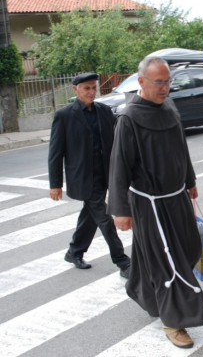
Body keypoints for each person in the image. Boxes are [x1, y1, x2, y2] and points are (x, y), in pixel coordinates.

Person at [107, 56, 203, 349]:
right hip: (150, 205)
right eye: (159, 82)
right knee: (168, 263)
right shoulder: (129, 118)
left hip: (176, 196)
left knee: (190, 249)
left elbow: (182, 149)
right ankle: (174, 320)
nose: (165, 87)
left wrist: (190, 181)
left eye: (168, 81)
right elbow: (119, 166)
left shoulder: (169, 107)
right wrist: (120, 210)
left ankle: (145, 293)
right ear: (141, 82)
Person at [48, 73, 131, 278]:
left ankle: (74, 252)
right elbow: (55, 153)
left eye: (94, 88)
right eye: (86, 88)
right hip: (83, 177)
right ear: (75, 89)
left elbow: (116, 140)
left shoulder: (104, 111)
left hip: (103, 173)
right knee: (103, 218)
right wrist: (55, 183)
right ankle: (123, 262)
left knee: (91, 214)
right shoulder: (64, 115)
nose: (92, 92)